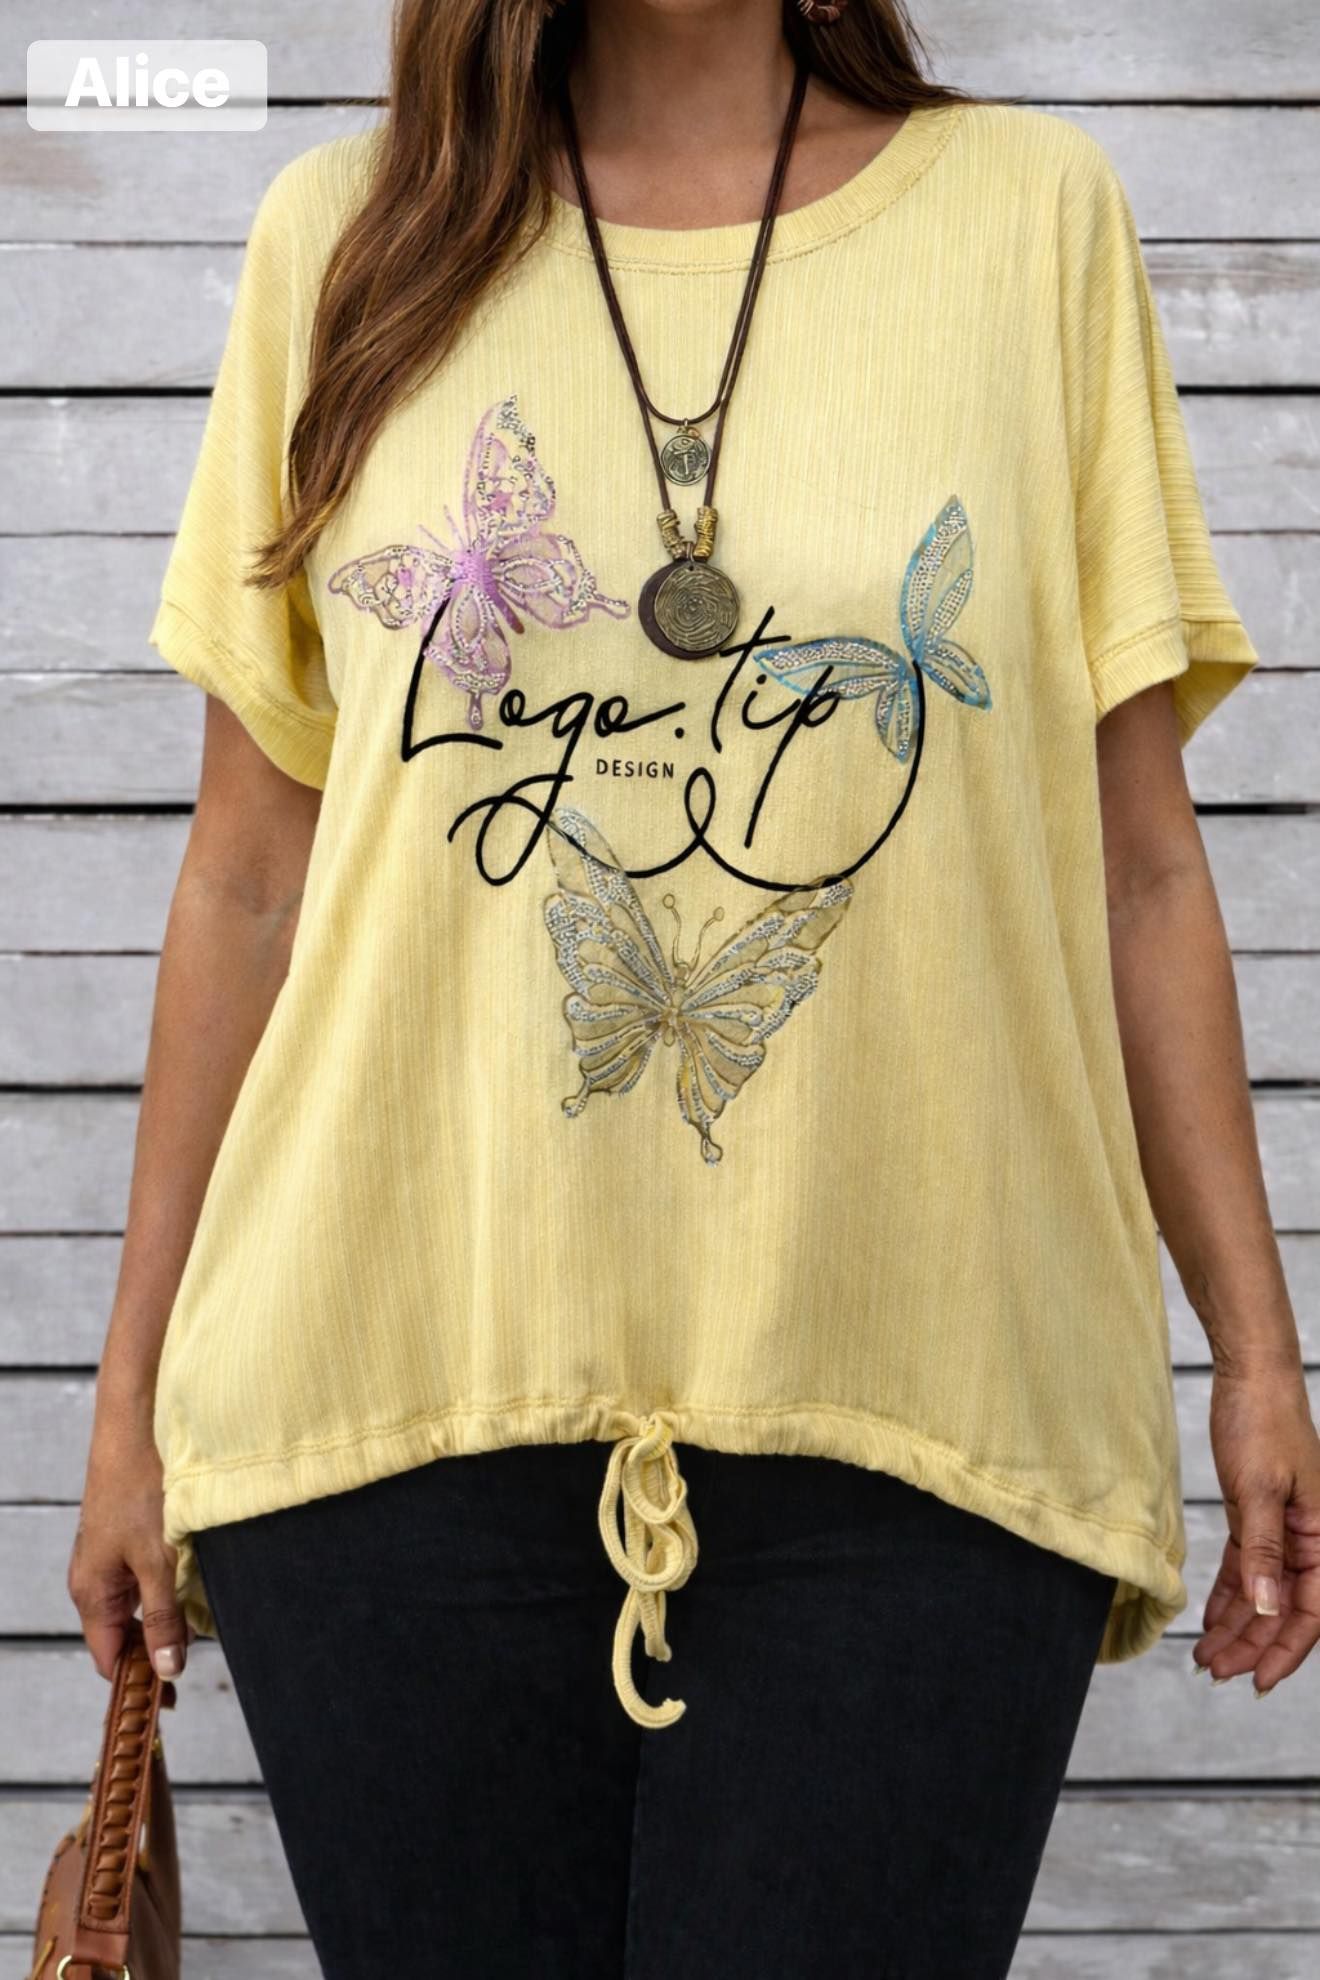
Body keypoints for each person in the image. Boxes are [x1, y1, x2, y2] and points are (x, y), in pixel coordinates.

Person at [69, 1, 1319, 1975]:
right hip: (391, 1412)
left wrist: (1255, 1352)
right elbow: (245, 880)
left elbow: (1141, 867)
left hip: (923, 1413)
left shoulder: (1031, 221)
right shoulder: (346, 237)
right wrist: (129, 1402)